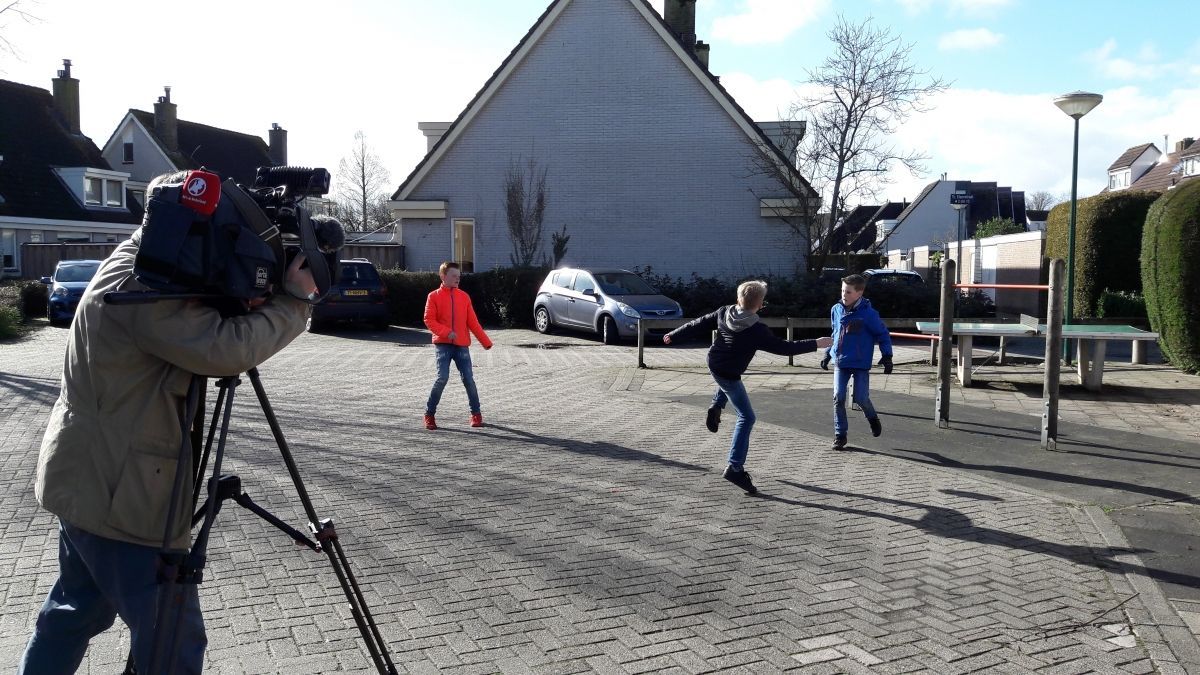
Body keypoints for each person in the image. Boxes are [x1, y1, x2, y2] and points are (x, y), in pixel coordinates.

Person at [19, 188, 321, 674]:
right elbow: (224, 349)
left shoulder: (140, 256)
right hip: (125, 500)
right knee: (172, 645)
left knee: (75, 612)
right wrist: (293, 302)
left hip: (83, 481)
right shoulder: (146, 291)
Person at [664, 280, 832, 494]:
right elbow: (785, 348)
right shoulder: (756, 330)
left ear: (738, 299)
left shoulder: (724, 312)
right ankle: (735, 467)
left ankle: (716, 406)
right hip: (730, 373)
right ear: (760, 304)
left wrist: (674, 335)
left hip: (714, 363)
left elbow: (699, 323)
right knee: (747, 417)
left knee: (726, 383)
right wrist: (816, 343)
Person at [824, 273, 894, 450]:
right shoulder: (836, 309)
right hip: (841, 361)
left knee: (861, 398)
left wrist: (887, 356)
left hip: (860, 361)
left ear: (859, 293)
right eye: (842, 291)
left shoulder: (868, 315)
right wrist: (828, 353)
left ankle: (872, 418)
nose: (843, 295)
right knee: (838, 397)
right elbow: (835, 334)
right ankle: (840, 435)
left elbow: (883, 334)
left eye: (848, 292)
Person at [423, 261, 493, 430]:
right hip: (443, 345)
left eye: (459, 276)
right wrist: (446, 332)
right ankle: (429, 414)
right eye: (454, 276)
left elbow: (473, 322)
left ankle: (476, 414)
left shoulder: (464, 297)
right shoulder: (434, 296)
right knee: (442, 378)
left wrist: (486, 342)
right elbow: (429, 320)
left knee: (468, 379)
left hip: (462, 345)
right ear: (443, 276)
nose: (457, 279)